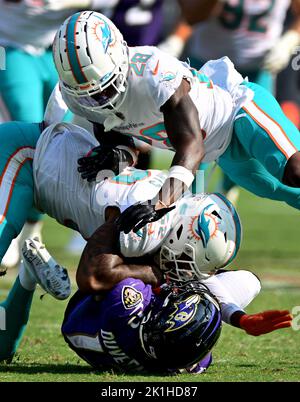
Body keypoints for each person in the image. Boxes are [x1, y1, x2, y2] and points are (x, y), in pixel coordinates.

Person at [0, 120, 240, 362]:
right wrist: (153, 272)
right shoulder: (148, 224)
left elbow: (218, 282)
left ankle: (27, 277)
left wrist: (236, 316)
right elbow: (92, 277)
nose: (185, 268)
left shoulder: (176, 207)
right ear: (185, 234)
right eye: (188, 258)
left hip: (46, 172)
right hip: (22, 156)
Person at [51, 10, 300, 236]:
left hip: (240, 111)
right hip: (223, 153)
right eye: (90, 95)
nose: (99, 100)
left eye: (103, 89)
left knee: (295, 171)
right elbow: (126, 147)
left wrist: (160, 202)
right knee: (291, 195)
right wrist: (116, 157)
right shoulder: (78, 98)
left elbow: (192, 146)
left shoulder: (153, 72)